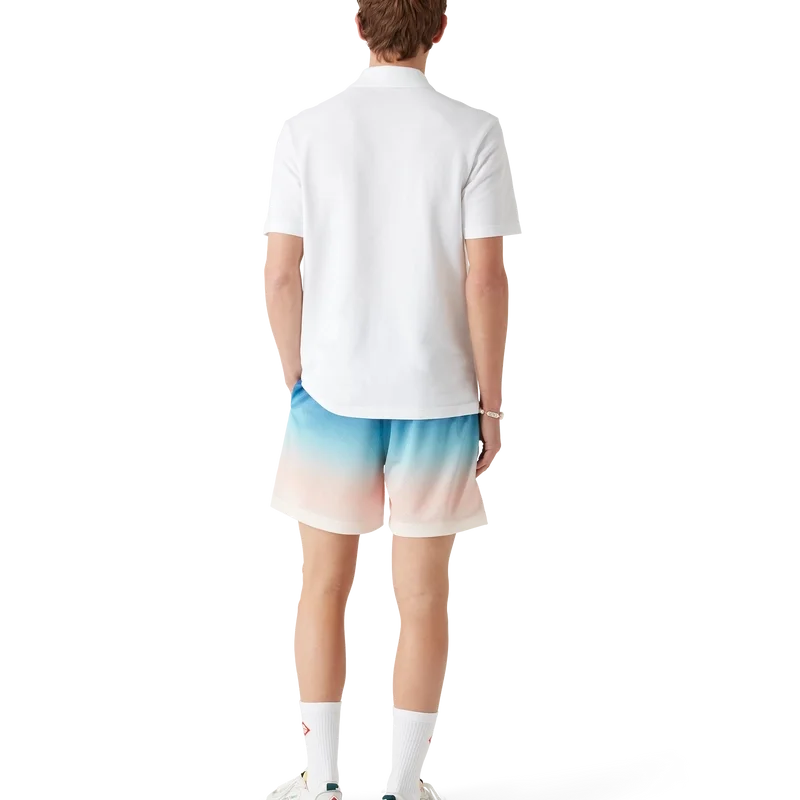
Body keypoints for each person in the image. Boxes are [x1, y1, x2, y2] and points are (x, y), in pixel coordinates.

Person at [264, 1, 517, 797]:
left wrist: (295, 374)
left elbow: (280, 273)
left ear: (357, 26)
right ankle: (408, 785)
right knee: (423, 596)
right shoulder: (474, 129)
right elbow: (486, 280)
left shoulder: (305, 127)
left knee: (321, 589)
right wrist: (491, 403)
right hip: (440, 396)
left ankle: (321, 780)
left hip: (331, 391)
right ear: (442, 29)